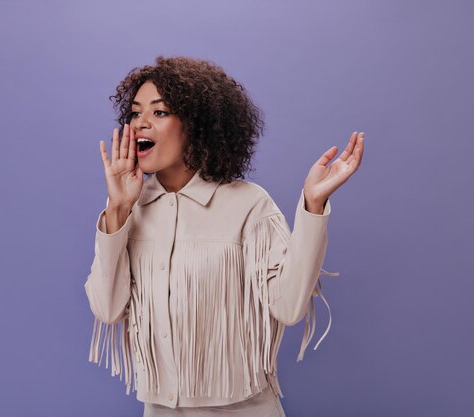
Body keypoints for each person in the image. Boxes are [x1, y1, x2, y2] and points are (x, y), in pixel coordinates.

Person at [84, 56, 365, 416]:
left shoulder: (248, 203)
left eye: (159, 112)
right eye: (135, 113)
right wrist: (118, 211)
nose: (141, 123)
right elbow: (107, 311)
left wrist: (313, 204)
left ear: (196, 125)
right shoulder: (128, 209)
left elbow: (290, 306)